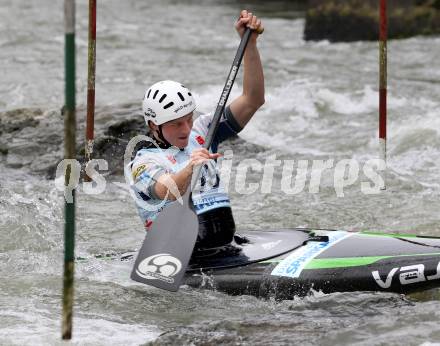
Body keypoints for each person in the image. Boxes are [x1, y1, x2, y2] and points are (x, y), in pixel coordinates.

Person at [126, 10, 264, 251]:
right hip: (178, 250)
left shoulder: (203, 132)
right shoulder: (142, 163)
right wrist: (190, 167)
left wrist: (250, 44)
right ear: (153, 126)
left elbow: (253, 99)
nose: (187, 129)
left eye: (189, 119)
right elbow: (166, 190)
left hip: (222, 242)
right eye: (176, 124)